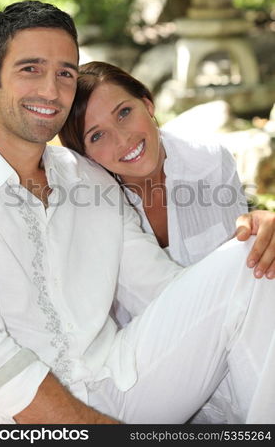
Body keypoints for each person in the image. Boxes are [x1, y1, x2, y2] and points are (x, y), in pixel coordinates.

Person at [0, 0, 275, 425]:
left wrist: (254, 239)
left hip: (122, 381)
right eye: (30, 69)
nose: (51, 91)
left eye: (65, 74)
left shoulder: (89, 180)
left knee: (256, 258)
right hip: (14, 421)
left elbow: (162, 291)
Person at [60, 60, 275, 423]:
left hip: (237, 361)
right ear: (85, 155)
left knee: (257, 258)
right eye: (97, 135)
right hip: (153, 372)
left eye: (124, 112)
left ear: (148, 103)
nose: (123, 138)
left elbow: (243, 295)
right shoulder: (90, 204)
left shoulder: (209, 161)